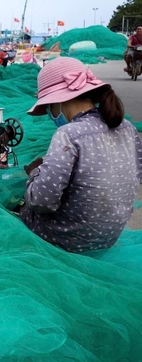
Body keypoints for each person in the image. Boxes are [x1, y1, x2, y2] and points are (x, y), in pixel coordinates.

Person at [21, 57, 142, 253]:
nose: (50, 113)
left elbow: (42, 202)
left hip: (67, 239)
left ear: (59, 101)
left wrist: (34, 174)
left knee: (20, 205)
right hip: (109, 236)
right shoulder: (127, 128)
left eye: (49, 107)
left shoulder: (68, 134)